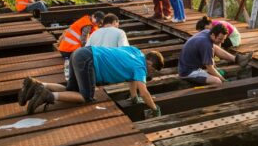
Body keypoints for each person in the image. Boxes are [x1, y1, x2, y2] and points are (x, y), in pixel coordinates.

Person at [18, 48, 165, 115]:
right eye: (152, 71)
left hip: (80, 53)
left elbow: (133, 81)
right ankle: (48, 95)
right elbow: (145, 93)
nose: (150, 74)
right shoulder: (140, 66)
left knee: (72, 90)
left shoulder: (136, 52)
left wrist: (134, 98)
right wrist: (154, 108)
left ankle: (37, 84)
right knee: (86, 97)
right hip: (89, 61)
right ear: (150, 64)